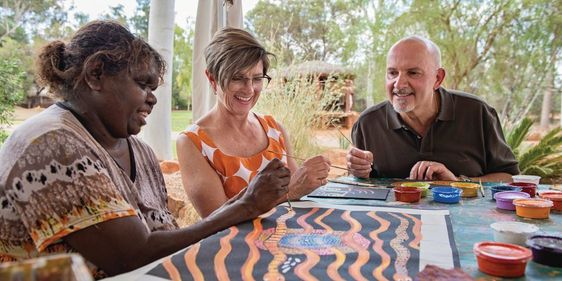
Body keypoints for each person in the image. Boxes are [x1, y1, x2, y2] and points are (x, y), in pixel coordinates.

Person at [0, 20, 290, 279]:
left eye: (154, 89)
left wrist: (249, 202)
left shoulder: (140, 152)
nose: (152, 100)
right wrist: (247, 204)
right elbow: (131, 256)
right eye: (142, 84)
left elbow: (166, 239)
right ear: (95, 74)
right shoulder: (51, 143)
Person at [176, 28, 331, 218]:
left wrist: (312, 179)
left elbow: (297, 201)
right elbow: (216, 221)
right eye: (237, 78)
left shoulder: (275, 130)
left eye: (257, 78)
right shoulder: (193, 143)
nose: (249, 89)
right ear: (212, 78)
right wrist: (292, 191)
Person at [347, 35, 518, 182]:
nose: (398, 84)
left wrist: (457, 182)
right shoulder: (368, 123)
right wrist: (359, 172)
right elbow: (359, 186)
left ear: (437, 78)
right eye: (392, 73)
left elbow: (510, 178)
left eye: (413, 73)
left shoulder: (478, 113)